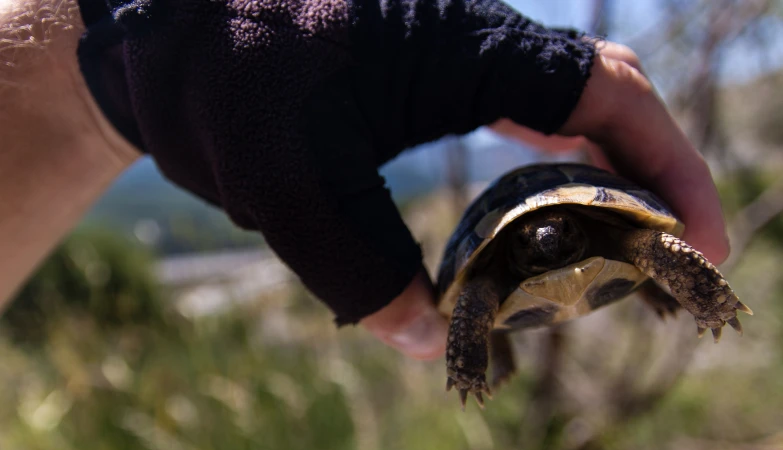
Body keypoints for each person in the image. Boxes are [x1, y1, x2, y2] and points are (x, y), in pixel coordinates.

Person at [0, 0, 729, 361]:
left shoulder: (594, 226)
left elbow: (653, 242)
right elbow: (473, 287)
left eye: (557, 231)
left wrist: (121, 46)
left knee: (662, 253)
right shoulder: (506, 257)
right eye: (544, 230)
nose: (546, 235)